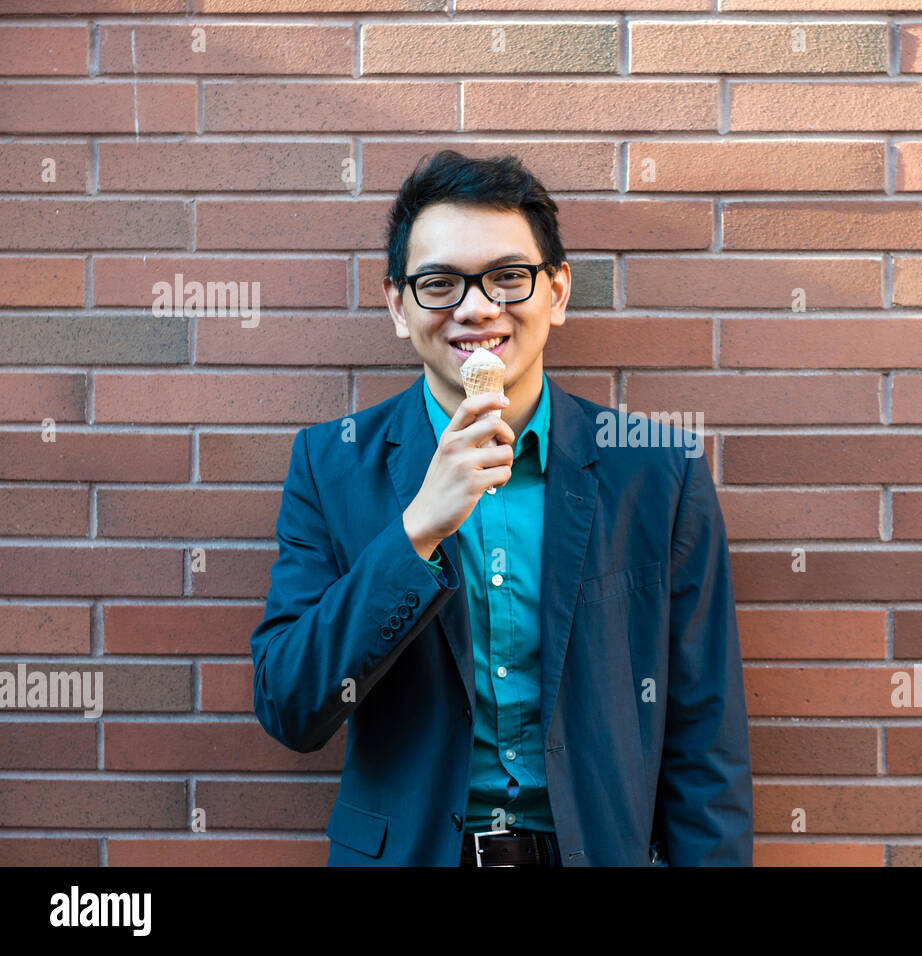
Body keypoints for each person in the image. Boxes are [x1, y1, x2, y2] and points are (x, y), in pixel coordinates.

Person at [248, 149, 753, 866]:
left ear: (557, 292)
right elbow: (292, 706)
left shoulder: (658, 471)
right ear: (398, 306)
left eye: (508, 277)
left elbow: (707, 736)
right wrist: (416, 530)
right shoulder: (331, 467)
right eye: (440, 283)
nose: (477, 307)